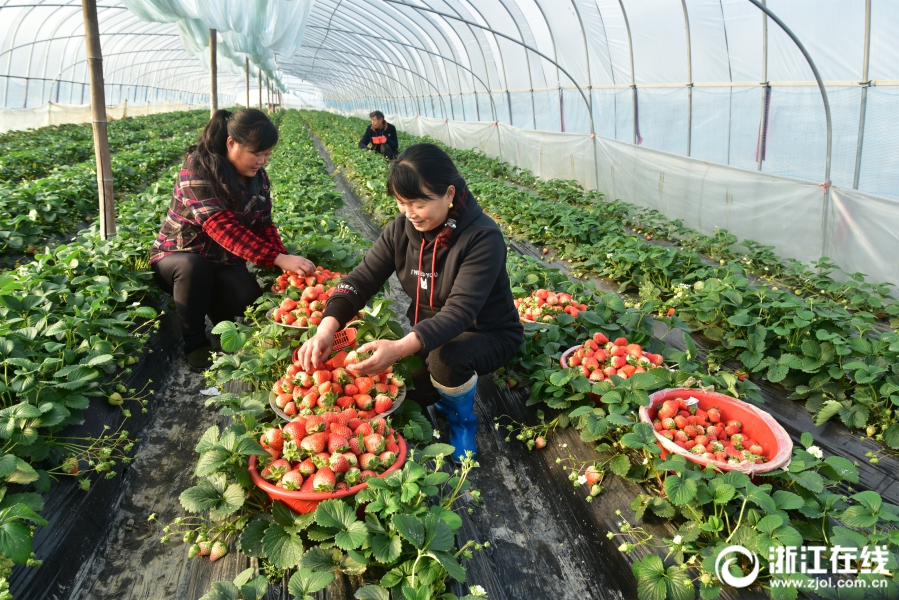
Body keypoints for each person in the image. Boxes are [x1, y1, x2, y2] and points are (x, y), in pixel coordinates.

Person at [297, 143, 523, 461]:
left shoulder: (482, 238)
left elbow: (460, 311)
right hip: (430, 336)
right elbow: (360, 280)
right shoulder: (401, 231)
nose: (408, 213)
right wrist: (326, 327)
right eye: (402, 203)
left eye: (418, 203)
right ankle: (444, 393)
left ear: (448, 194)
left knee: (446, 359)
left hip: (487, 333)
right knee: (395, 392)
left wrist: (401, 347)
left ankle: (461, 422)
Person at [150, 108, 315, 370]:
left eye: (267, 154)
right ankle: (194, 342)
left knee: (247, 298)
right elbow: (220, 227)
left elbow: (264, 224)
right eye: (256, 153)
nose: (261, 160)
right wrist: (277, 258)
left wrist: (284, 267)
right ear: (232, 143)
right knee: (194, 268)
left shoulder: (258, 179)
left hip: (223, 261)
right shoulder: (198, 168)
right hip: (178, 258)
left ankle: (220, 321)